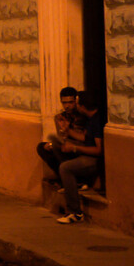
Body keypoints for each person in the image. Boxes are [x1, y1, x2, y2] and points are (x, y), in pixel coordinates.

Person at [43, 90, 105, 225]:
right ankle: (75, 183)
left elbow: (99, 150)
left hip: (93, 160)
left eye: (75, 103)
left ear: (82, 106)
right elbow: (84, 138)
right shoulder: (90, 119)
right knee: (55, 144)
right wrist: (67, 132)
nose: (74, 106)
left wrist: (75, 148)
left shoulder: (97, 121)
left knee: (65, 168)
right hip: (86, 153)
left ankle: (75, 212)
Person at [37, 86, 89, 182]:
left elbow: (85, 138)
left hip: (79, 147)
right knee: (42, 147)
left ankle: (73, 179)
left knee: (60, 147)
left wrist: (68, 130)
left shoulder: (83, 115)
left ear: (76, 101)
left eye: (70, 102)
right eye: (64, 103)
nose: (67, 106)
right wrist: (52, 144)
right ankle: (62, 177)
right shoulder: (60, 117)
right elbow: (61, 137)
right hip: (65, 145)